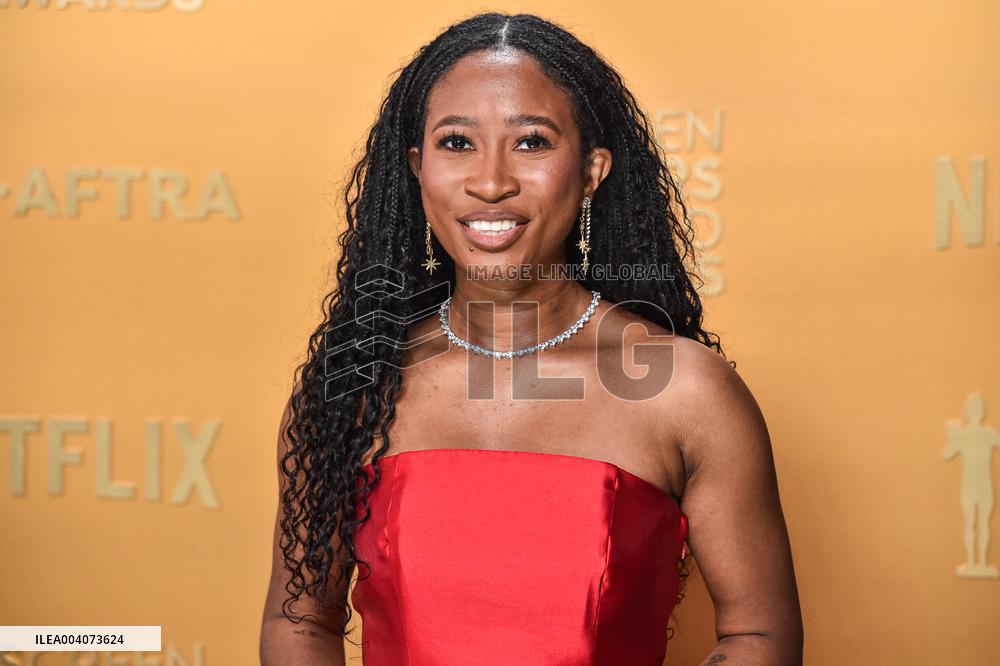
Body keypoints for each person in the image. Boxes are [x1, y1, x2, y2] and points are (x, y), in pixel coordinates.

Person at [260, 11, 802, 666]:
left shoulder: (685, 392)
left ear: (593, 169)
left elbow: (757, 638)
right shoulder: (353, 386)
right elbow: (303, 625)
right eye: (457, 143)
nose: (491, 182)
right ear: (416, 168)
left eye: (532, 143)